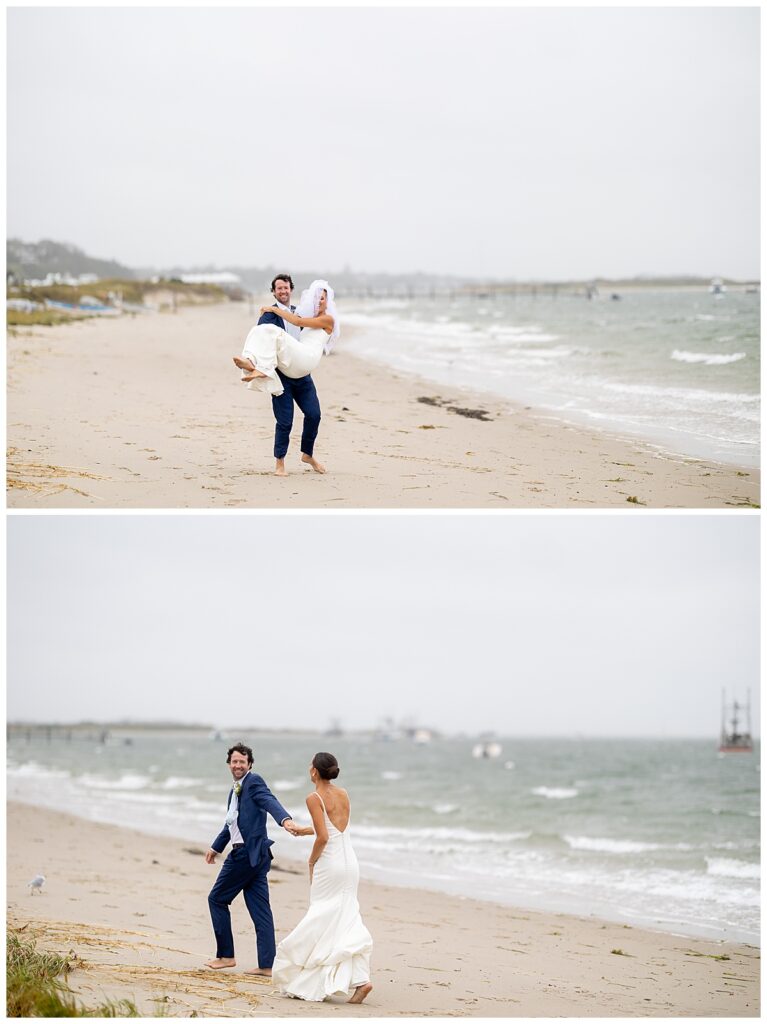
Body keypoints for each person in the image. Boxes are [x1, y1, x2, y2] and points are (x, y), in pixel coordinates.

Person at [271, 752, 373, 1004]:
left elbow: (324, 838)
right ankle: (361, 980)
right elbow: (335, 828)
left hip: (330, 864)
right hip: (350, 863)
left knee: (320, 916)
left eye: (310, 765)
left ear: (315, 771)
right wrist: (303, 830)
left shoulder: (313, 797)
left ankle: (317, 973)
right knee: (346, 918)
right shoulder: (344, 794)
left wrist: (311, 860)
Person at [205, 742, 300, 975]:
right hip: (257, 857)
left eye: (242, 762)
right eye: (234, 761)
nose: (238, 765)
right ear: (229, 764)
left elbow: (269, 801)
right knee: (260, 910)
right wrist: (216, 847)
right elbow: (232, 823)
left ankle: (226, 956)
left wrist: (285, 820)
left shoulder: (254, 782)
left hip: (245, 855)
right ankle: (267, 965)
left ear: (249, 764)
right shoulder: (235, 790)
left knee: (216, 899)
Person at [233, 277, 340, 477]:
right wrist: (272, 310)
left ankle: (307, 454)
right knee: (285, 421)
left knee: (314, 415)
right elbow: (262, 337)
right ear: (273, 292)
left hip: (302, 374)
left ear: (291, 289)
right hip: (281, 373)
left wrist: (277, 310)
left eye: (285, 287)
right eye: (278, 288)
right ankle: (279, 463)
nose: (282, 290)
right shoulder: (269, 315)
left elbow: (300, 323)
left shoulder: (301, 313)